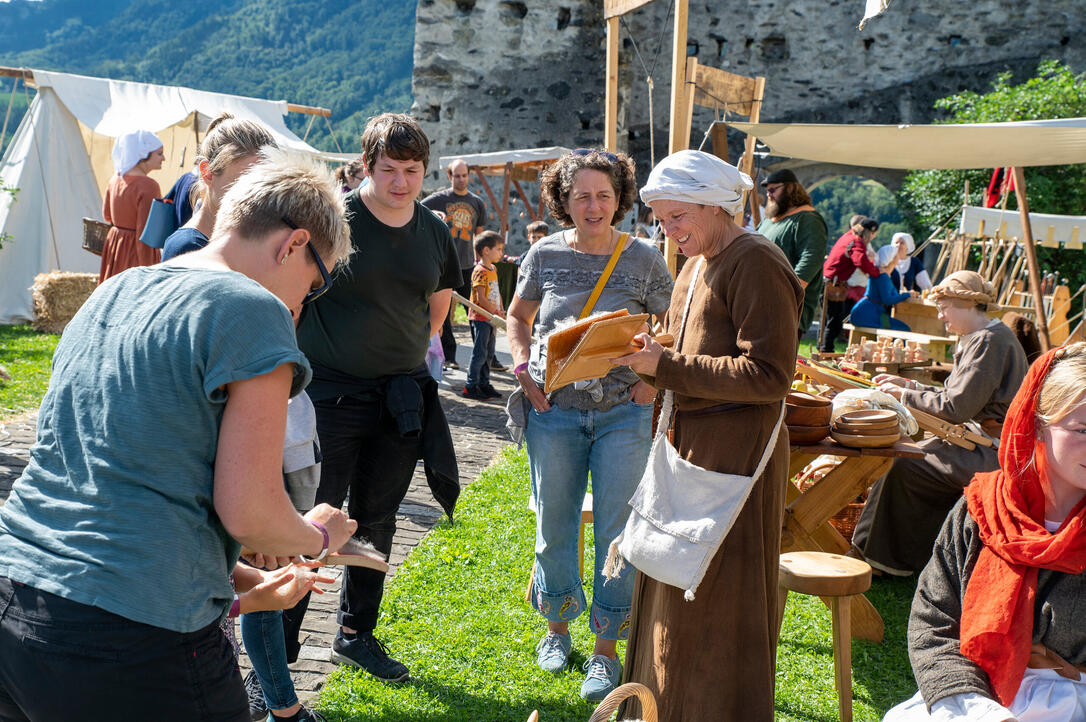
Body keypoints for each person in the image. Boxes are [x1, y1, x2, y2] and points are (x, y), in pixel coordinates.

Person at [0, 150, 357, 720]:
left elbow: (116, 473)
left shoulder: (117, 290)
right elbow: (248, 509)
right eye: (311, 284)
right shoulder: (252, 309)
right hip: (130, 634)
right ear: (293, 244)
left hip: (16, 590)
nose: (299, 305)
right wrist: (317, 537)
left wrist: (242, 582)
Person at [611, 150, 803, 721]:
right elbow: (690, 345)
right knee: (670, 590)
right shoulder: (697, 264)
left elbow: (770, 375)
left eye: (677, 217)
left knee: (715, 607)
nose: (668, 231)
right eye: (661, 220)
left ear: (717, 206)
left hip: (735, 462)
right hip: (690, 449)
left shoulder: (757, 262)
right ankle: (656, 708)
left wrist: (665, 370)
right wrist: (647, 356)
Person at [297, 113, 462, 683]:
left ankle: (355, 633)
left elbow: (439, 303)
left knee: (378, 519)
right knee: (308, 520)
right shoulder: (332, 219)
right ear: (366, 166)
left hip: (399, 395)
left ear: (424, 170)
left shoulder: (435, 229)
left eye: (411, 170)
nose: (400, 182)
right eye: (388, 169)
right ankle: (282, 652)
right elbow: (294, 295)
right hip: (327, 394)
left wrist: (407, 352)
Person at [505, 148, 672, 701]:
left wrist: (654, 382)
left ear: (620, 199)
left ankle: (605, 648)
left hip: (625, 413)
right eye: (581, 196)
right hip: (554, 411)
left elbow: (673, 324)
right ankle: (556, 628)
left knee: (617, 533)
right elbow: (519, 316)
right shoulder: (543, 254)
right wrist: (523, 370)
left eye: (603, 195)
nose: (593, 205)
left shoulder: (644, 259)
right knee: (554, 522)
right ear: (563, 200)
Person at [884, 343, 1086, 722]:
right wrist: (977, 709)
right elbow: (934, 619)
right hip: (972, 693)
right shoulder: (983, 510)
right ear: (1038, 425)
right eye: (1082, 429)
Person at [852, 271, 1029, 576]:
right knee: (903, 456)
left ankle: (883, 561)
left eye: (945, 307)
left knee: (903, 463)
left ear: (965, 304)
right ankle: (872, 552)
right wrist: (908, 385)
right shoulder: (981, 337)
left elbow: (956, 407)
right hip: (973, 440)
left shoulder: (990, 342)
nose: (940, 314)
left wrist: (905, 395)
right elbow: (954, 396)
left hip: (994, 452)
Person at [162, 114, 276, 261]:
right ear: (207, 173)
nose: (254, 194)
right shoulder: (189, 247)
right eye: (242, 181)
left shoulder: (235, 241)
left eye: (264, 182)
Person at [422, 158, 487, 371]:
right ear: (449, 177)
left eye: (464, 175)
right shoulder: (438, 199)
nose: (461, 179)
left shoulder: (477, 202)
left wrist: (481, 262)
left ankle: (485, 357)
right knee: (444, 314)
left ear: (469, 176)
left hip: (468, 264)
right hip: (445, 264)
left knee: (476, 313)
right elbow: (417, 211)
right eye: (456, 175)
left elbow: (479, 235)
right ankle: (449, 356)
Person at [756, 168, 828, 339]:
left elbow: (810, 260)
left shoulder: (808, 219)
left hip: (784, 309)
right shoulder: (768, 220)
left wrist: (784, 296)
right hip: (759, 303)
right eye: (767, 191)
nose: (769, 195)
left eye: (773, 189)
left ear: (790, 189)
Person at [99, 129, 164, 282]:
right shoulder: (148, 186)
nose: (164, 158)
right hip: (134, 253)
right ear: (144, 155)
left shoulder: (115, 179)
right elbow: (145, 235)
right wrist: (148, 271)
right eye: (159, 154)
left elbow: (107, 215)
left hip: (115, 248)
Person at [821, 216, 882, 351]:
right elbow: (860, 261)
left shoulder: (848, 236)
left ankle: (825, 349)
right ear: (871, 233)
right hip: (833, 285)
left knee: (834, 321)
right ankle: (825, 350)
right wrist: (877, 272)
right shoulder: (856, 241)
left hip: (833, 283)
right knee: (835, 322)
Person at [463, 230, 505, 401]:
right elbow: (480, 297)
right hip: (480, 318)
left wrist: (500, 308)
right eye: (499, 249)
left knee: (488, 353)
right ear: (486, 250)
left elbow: (496, 291)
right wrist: (494, 312)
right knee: (479, 353)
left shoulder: (493, 269)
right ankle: (470, 386)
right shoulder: (479, 270)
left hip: (491, 318)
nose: (501, 253)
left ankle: (484, 384)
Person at [849, 243, 915, 331]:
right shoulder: (882, 276)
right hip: (867, 314)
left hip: (871, 312)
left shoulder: (882, 274)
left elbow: (891, 295)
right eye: (896, 255)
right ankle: (891, 345)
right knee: (903, 329)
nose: (898, 256)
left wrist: (904, 294)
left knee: (900, 327)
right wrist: (907, 295)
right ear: (891, 259)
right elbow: (887, 300)